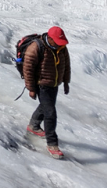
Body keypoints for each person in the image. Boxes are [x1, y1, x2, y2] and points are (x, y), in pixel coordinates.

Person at [23, 26, 71, 159]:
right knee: (50, 112)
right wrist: (31, 88)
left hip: (54, 83)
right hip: (41, 84)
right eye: (57, 41)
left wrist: (66, 82)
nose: (60, 44)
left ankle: (33, 125)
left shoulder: (61, 48)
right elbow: (28, 69)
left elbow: (66, 65)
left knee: (46, 107)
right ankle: (52, 144)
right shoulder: (36, 47)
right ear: (50, 38)